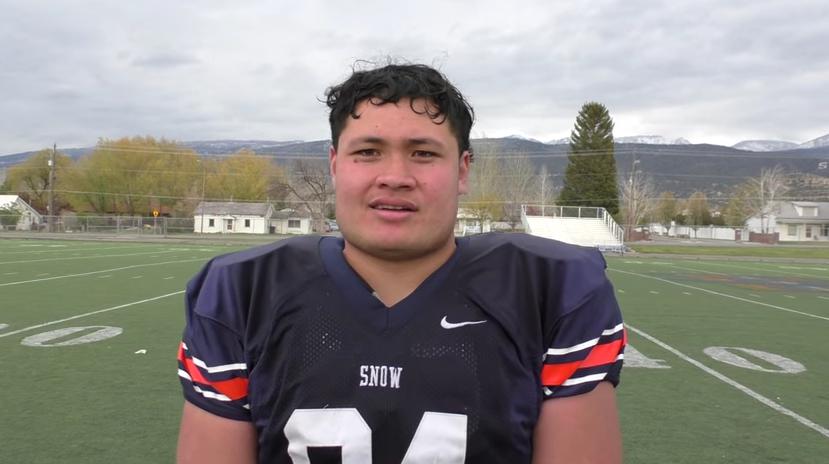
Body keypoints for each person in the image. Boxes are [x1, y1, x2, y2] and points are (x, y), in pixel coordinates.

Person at [176, 63, 625, 464]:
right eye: (367, 152)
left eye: (423, 153)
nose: (394, 177)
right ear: (334, 165)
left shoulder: (550, 291)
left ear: (463, 170)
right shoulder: (243, 293)